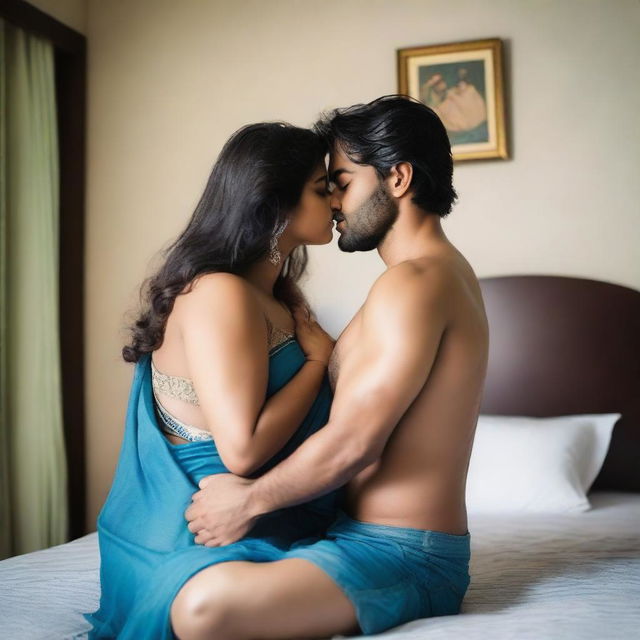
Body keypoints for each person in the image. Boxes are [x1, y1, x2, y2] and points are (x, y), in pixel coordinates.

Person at [177, 94, 490, 639]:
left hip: (403, 552)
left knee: (203, 609)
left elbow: (356, 441)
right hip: (355, 535)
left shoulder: (414, 283)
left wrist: (249, 501)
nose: (334, 202)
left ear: (397, 179)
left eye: (341, 182)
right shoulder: (431, 275)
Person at [82, 121, 347, 639]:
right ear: (276, 203)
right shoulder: (219, 293)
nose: (337, 200)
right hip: (197, 528)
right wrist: (317, 365)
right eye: (322, 188)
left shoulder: (275, 294)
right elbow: (241, 453)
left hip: (262, 511)